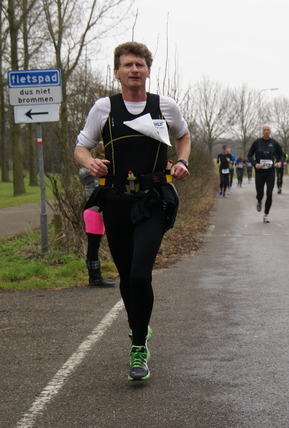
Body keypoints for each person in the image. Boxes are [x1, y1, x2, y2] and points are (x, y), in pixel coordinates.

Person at [74, 41, 190, 382]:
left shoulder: (164, 106)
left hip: (153, 200)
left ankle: (138, 345)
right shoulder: (103, 109)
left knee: (141, 274)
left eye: (139, 64)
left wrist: (182, 161)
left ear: (148, 71)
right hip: (115, 200)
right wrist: (90, 161)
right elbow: (80, 147)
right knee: (127, 276)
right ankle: (138, 326)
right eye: (127, 65)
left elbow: (184, 136)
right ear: (117, 72)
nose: (134, 70)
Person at [78, 141, 115, 288]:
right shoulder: (104, 171)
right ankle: (95, 278)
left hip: (90, 210)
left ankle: (94, 275)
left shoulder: (87, 171)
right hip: (99, 211)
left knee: (93, 245)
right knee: (97, 245)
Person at [247, 124, 284, 223]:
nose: (266, 131)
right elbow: (249, 155)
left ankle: (266, 215)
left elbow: (281, 155)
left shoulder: (274, 143)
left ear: (270, 131)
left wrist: (279, 162)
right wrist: (255, 164)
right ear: (262, 131)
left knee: (269, 193)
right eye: (265, 130)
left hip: (270, 172)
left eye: (268, 130)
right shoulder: (257, 142)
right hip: (259, 172)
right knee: (260, 194)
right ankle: (259, 201)